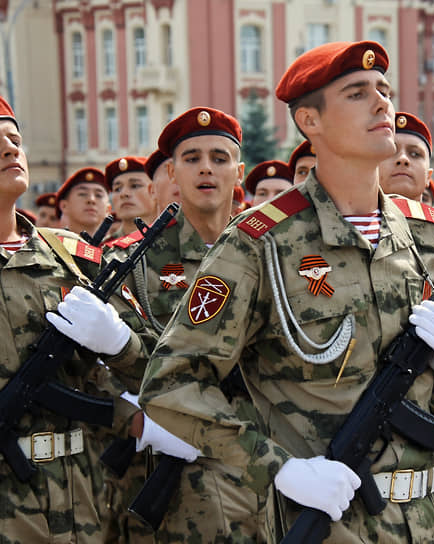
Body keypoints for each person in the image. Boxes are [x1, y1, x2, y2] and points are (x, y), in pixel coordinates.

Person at [139, 41, 434, 543]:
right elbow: (172, 385)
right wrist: (278, 468)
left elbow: (426, 390)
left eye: (385, 90)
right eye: (358, 93)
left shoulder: (424, 234)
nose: (384, 104)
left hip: (426, 519)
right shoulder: (261, 241)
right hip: (326, 521)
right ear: (311, 122)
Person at [0, 95, 155, 542]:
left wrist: (118, 341)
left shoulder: (70, 255)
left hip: (84, 495)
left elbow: (158, 364)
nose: (11, 150)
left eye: (16, 140)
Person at [107, 107, 266, 542]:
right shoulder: (131, 262)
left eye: (219, 157)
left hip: (268, 469)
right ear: (173, 173)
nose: (206, 168)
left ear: (239, 171)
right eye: (192, 158)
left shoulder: (271, 253)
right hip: (174, 481)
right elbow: (104, 371)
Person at [378, 111, 433, 201]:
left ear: (428, 176)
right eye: (392, 151)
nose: (403, 159)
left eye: (415, 154)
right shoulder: (350, 215)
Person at [106, 156, 157, 240]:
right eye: (117, 189)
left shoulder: (176, 240)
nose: (124, 194)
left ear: (155, 190)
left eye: (135, 186)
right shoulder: (102, 248)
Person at [56, 167, 110, 235]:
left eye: (98, 195)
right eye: (82, 194)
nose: (91, 199)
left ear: (108, 209)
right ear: (64, 206)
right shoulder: (49, 244)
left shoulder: (117, 245)